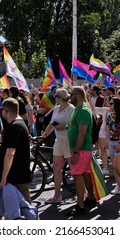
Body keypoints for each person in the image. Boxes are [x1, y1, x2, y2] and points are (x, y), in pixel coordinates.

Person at [66, 86, 97, 216]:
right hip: (80, 149)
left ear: (77, 95)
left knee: (77, 176)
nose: (69, 97)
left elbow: (82, 134)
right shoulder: (78, 109)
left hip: (81, 150)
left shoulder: (83, 110)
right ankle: (90, 198)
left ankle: (80, 206)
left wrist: (76, 152)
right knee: (84, 174)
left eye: (71, 94)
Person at [41, 88, 75, 204]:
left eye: (56, 96)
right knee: (56, 169)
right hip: (58, 141)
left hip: (69, 142)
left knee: (74, 169)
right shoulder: (56, 109)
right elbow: (51, 125)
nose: (54, 98)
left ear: (59, 98)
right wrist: (43, 136)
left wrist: (65, 126)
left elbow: (76, 126)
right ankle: (57, 195)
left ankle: (83, 192)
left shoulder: (72, 109)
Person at [0, 97, 32, 202]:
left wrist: (4, 178)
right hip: (18, 173)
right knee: (11, 208)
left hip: (15, 175)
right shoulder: (20, 123)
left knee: (27, 209)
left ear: (6, 111)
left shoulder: (13, 127)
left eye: (2, 110)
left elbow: (10, 154)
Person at [106, 97, 120, 195]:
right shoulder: (110, 116)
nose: (109, 105)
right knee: (114, 166)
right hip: (111, 142)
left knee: (116, 164)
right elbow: (107, 128)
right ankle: (118, 185)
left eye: (111, 103)